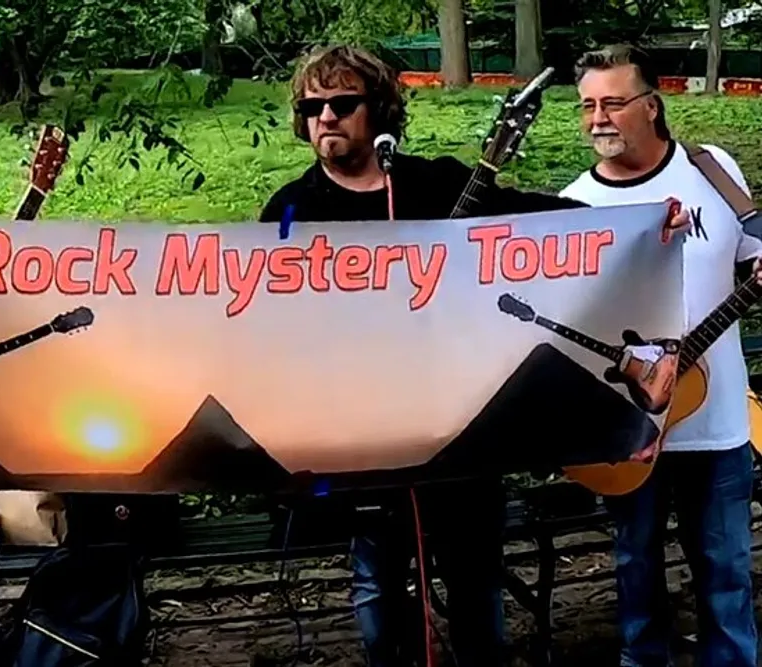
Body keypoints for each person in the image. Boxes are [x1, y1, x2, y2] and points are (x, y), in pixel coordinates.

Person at [259, 44, 589, 667]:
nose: (325, 117)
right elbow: (259, 316)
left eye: (342, 103)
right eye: (312, 107)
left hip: (458, 430)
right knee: (378, 598)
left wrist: (637, 220)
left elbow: (538, 224)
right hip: (358, 436)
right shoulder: (289, 212)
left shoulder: (434, 183)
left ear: (379, 109)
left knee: (475, 593)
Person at [559, 43, 762, 667]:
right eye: (588, 105)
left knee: (727, 573)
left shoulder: (713, 169)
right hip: (627, 430)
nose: (599, 118)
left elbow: (751, 247)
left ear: (652, 105)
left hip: (718, 419)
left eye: (614, 103)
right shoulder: (571, 209)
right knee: (635, 570)